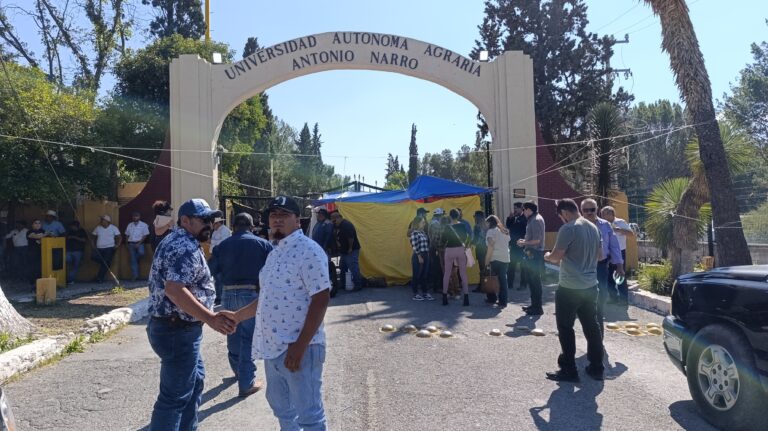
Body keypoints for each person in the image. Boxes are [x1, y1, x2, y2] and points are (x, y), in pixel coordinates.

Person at [227, 195, 331, 431]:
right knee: (282, 410)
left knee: (309, 416)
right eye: (273, 215)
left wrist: (300, 345)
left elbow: (321, 299)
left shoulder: (309, 251)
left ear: (298, 221)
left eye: (284, 215)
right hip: (273, 348)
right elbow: (266, 298)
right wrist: (237, 317)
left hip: (300, 347)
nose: (277, 220)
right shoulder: (274, 253)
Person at [146, 198, 236, 431]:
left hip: (178, 329)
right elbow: (175, 289)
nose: (209, 224)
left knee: (194, 383)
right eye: (203, 220)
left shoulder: (181, 241)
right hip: (177, 330)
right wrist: (211, 318)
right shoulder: (183, 246)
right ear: (185, 221)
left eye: (211, 219)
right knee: (173, 398)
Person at [208, 213, 273, 397]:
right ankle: (247, 382)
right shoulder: (263, 245)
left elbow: (209, 271)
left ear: (234, 227)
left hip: (228, 293)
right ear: (252, 226)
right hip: (250, 294)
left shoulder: (222, 245)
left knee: (232, 331)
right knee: (248, 338)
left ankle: (237, 370)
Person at [543, 198, 604, 382]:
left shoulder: (568, 228)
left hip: (570, 287)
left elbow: (556, 257)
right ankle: (596, 367)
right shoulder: (594, 227)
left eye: (561, 216)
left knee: (565, 327)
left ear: (565, 212)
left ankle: (569, 369)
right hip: (591, 285)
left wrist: (547, 255)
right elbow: (600, 256)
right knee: (592, 327)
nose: (562, 219)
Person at [580, 198, 623, 337]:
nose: (589, 213)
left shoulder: (605, 225)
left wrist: (619, 266)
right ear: (582, 211)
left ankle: (598, 336)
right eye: (586, 210)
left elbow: (614, 247)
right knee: (585, 300)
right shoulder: (577, 225)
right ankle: (590, 333)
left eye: (592, 209)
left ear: (597, 209)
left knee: (600, 298)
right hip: (582, 267)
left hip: (600, 267)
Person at [601, 206, 634, 306]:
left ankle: (624, 301)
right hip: (608, 253)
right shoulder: (603, 224)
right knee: (609, 277)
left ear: (611, 213)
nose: (602, 216)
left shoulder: (620, 222)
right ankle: (613, 298)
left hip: (620, 252)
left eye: (604, 213)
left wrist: (619, 230)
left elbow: (631, 234)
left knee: (620, 277)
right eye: (602, 214)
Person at [517, 201, 546, 315]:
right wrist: (524, 241)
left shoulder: (536, 220)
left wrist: (524, 243)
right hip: (531, 252)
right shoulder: (533, 219)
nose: (523, 212)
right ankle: (534, 305)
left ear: (529, 210)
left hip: (535, 253)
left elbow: (537, 240)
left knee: (535, 281)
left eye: (524, 209)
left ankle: (538, 307)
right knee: (531, 280)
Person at [441, 209, 471, 306]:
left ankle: (445, 297)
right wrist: (466, 245)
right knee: (463, 273)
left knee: (447, 273)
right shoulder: (462, 226)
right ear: (458, 216)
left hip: (449, 250)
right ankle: (466, 297)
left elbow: (443, 240)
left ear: (450, 216)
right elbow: (468, 237)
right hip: (460, 250)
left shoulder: (447, 227)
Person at [331, 210, 362, 291]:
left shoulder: (346, 225)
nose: (333, 222)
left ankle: (358, 284)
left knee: (353, 266)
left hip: (351, 249)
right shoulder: (337, 225)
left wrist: (350, 248)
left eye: (334, 220)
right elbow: (335, 234)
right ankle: (343, 284)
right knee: (342, 267)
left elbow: (351, 238)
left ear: (338, 218)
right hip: (343, 250)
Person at [484, 215, 511, 309]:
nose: (486, 224)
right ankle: (503, 301)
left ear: (490, 223)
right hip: (505, 258)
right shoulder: (505, 232)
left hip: (494, 258)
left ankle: (492, 298)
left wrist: (487, 261)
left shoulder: (490, 232)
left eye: (487, 223)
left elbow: (491, 245)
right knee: (503, 280)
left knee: (491, 278)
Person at [311, 209, 337, 296]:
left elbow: (328, 236)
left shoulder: (327, 223)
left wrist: (324, 248)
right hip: (317, 249)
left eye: (319, 214)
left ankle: (330, 288)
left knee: (326, 268)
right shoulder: (319, 223)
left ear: (323, 215)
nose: (317, 216)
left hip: (324, 250)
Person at [409, 215, 433, 301]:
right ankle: (415, 294)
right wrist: (419, 256)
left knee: (424, 275)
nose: (424, 223)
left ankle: (425, 293)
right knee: (416, 275)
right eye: (422, 222)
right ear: (418, 223)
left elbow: (426, 244)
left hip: (426, 254)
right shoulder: (414, 233)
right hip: (418, 255)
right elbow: (415, 246)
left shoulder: (423, 232)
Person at [91, 215, 121, 283]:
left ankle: (99, 278)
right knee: (94, 258)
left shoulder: (113, 228)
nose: (101, 221)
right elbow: (93, 237)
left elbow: (119, 237)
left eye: (103, 220)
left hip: (109, 248)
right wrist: (93, 245)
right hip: (99, 248)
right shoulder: (98, 228)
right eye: (101, 220)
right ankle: (105, 265)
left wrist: (117, 245)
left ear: (107, 221)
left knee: (105, 263)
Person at [506, 202, 527, 290]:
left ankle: (523, 284)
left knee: (523, 266)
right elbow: (508, 226)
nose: (514, 210)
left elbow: (522, 229)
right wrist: (510, 218)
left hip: (522, 245)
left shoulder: (524, 218)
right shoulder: (513, 218)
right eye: (514, 208)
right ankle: (509, 284)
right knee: (511, 265)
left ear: (521, 208)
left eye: (516, 208)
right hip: (514, 245)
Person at [125, 212, 150, 281]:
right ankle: (135, 276)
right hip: (131, 243)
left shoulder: (143, 225)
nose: (135, 217)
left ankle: (134, 259)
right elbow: (127, 234)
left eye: (136, 216)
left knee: (141, 253)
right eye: (134, 216)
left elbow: (145, 235)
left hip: (140, 243)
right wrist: (126, 242)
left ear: (139, 217)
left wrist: (139, 243)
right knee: (133, 261)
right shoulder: (130, 225)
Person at [427, 208, 446, 293]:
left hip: (434, 247)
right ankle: (437, 287)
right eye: (442, 215)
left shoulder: (433, 222)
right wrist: (439, 248)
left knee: (436, 267)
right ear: (440, 215)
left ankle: (437, 286)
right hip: (436, 248)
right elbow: (435, 238)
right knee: (437, 267)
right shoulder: (436, 224)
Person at [472, 211, 488, 292]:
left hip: (480, 250)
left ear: (478, 217)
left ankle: (482, 286)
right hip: (488, 249)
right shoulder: (488, 225)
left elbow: (475, 240)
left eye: (475, 217)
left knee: (482, 268)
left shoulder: (477, 227)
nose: (474, 218)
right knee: (487, 268)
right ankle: (487, 285)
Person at [27, 219, 46, 286]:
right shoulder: (29, 231)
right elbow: (36, 236)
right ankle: (33, 284)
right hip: (32, 253)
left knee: (41, 268)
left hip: (43, 253)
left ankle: (41, 284)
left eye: (39, 223)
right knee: (33, 269)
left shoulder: (43, 231)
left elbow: (51, 236)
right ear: (32, 225)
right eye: (36, 223)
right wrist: (46, 234)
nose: (38, 224)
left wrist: (49, 234)